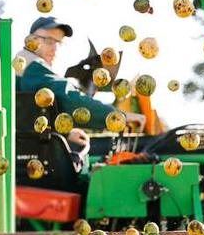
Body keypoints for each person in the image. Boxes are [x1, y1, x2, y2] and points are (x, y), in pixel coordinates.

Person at [16, 17, 146, 149]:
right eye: (49, 40)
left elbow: (31, 117)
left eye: (59, 43)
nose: (55, 49)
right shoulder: (30, 66)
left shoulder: (25, 67)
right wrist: (118, 116)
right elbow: (69, 98)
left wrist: (65, 133)